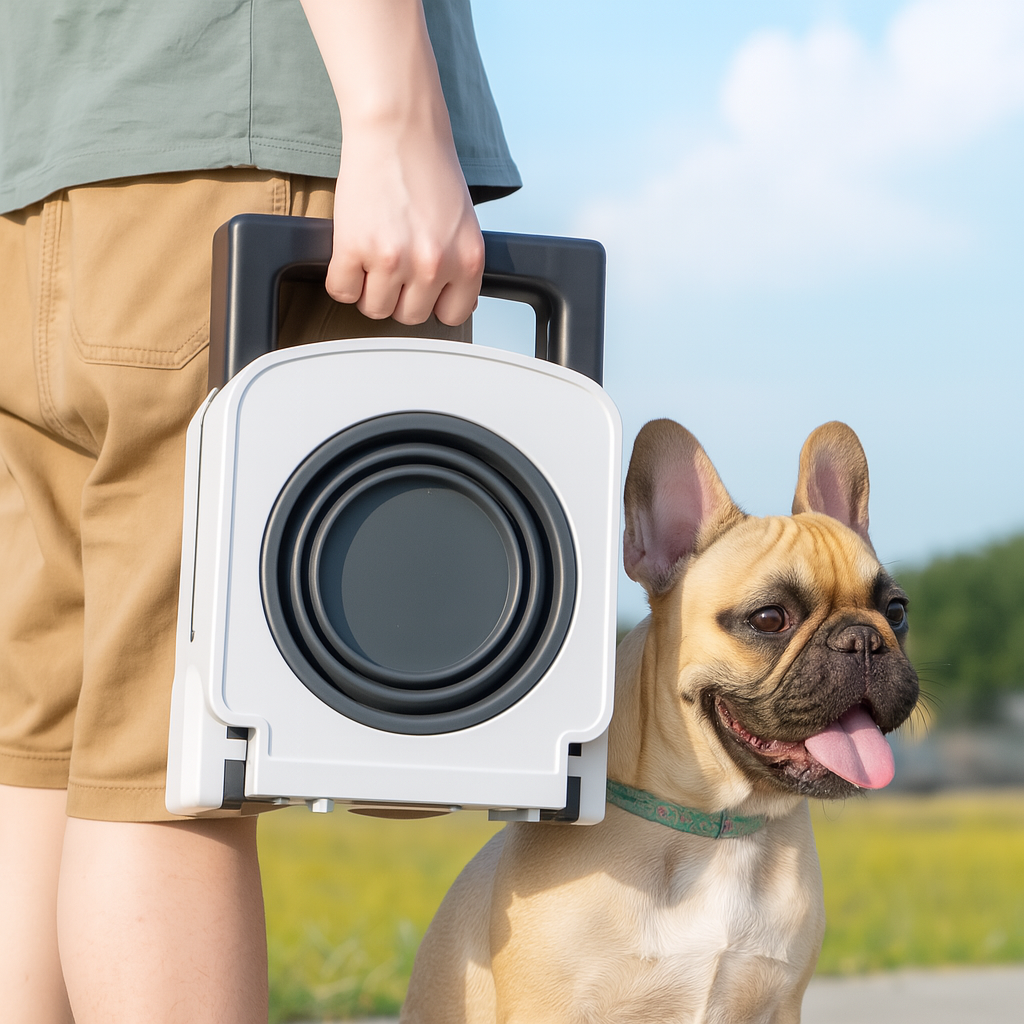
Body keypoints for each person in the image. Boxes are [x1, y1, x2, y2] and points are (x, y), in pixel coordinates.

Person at [0, 2, 520, 1022]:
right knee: (172, 762)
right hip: (225, 141)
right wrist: (393, 111)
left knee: (46, 759)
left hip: (37, 174)